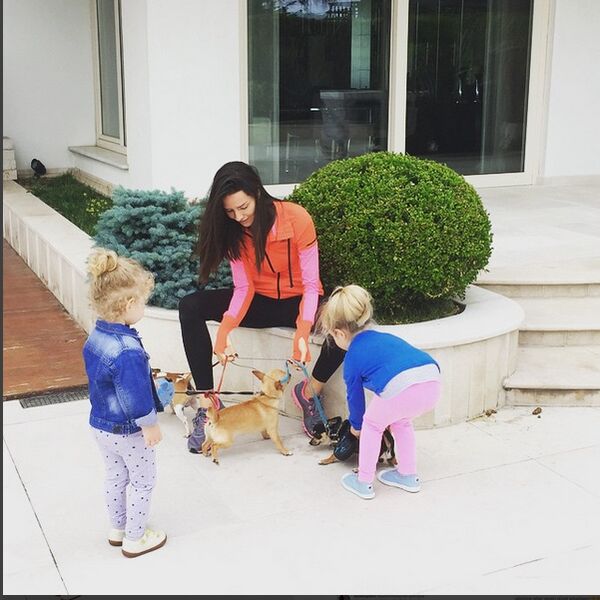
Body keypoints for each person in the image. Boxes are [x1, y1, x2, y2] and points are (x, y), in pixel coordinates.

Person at [178, 161, 345, 440]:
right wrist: (224, 332)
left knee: (345, 323)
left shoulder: (297, 218)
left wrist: (303, 332)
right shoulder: (233, 232)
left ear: (257, 192)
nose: (238, 216)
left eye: (243, 207)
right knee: (190, 306)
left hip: (300, 301)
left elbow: (311, 285)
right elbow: (244, 287)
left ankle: (309, 393)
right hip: (259, 301)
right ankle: (208, 403)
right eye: (230, 211)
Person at [316, 284, 441, 500]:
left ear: (339, 333)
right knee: (402, 421)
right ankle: (408, 475)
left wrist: (356, 426)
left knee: (372, 425)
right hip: (432, 379)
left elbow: (354, 398)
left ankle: (363, 482)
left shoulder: (353, 356)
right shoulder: (385, 337)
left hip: (402, 388)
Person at [83, 248, 167, 557]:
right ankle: (135, 537)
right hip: (128, 430)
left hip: (101, 425)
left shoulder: (96, 336)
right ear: (129, 304)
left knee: (116, 476)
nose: (143, 307)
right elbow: (136, 396)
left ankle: (118, 528)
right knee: (143, 482)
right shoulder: (127, 349)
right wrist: (150, 424)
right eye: (143, 302)